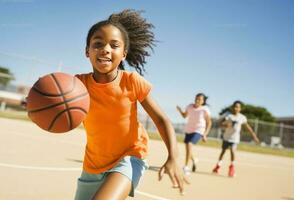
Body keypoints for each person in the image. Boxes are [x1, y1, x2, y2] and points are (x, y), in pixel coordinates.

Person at [74, 9, 186, 200]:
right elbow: (56, 107)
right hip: (92, 164)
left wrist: (173, 157)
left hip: (129, 158)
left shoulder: (132, 81)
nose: (105, 49)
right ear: (87, 51)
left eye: (114, 45)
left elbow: (161, 119)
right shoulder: (77, 85)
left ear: (124, 53)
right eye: (98, 44)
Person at [212, 100, 260, 177]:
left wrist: (254, 136)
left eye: (238, 107)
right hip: (226, 137)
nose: (236, 108)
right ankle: (218, 166)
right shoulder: (228, 116)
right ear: (232, 107)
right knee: (223, 152)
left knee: (232, 151)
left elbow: (248, 127)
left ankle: (231, 167)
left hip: (235, 139)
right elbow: (221, 124)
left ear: (240, 109)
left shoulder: (242, 118)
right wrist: (225, 125)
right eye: (234, 106)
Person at [176, 93, 212, 175]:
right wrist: (180, 110)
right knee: (188, 148)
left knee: (189, 144)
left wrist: (205, 134)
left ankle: (186, 167)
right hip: (189, 129)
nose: (197, 100)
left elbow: (209, 122)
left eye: (200, 99)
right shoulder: (189, 106)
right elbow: (184, 116)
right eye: (196, 98)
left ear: (203, 101)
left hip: (199, 130)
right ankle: (194, 160)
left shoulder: (205, 109)